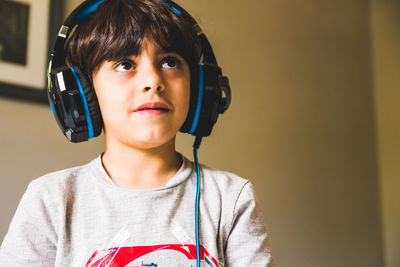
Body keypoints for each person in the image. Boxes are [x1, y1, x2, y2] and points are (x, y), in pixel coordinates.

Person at [0, 0, 274, 266]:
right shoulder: (51, 200)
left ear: (201, 87)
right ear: (83, 92)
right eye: (125, 64)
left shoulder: (231, 198)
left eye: (170, 62)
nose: (153, 80)